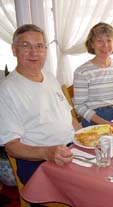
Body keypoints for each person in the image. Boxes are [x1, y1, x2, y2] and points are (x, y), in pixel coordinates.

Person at [0, 24, 79, 185]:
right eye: (25, 46)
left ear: (45, 50)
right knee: (92, 189)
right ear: (14, 50)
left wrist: (87, 139)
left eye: (39, 46)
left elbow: (70, 119)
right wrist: (47, 153)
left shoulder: (49, 77)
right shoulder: (7, 90)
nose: (34, 52)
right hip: (39, 162)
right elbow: (12, 147)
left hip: (70, 149)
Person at [73, 22, 113, 127]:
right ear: (91, 44)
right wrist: (106, 124)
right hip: (96, 119)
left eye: (109, 40)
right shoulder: (82, 72)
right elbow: (79, 106)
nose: (105, 45)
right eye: (99, 41)